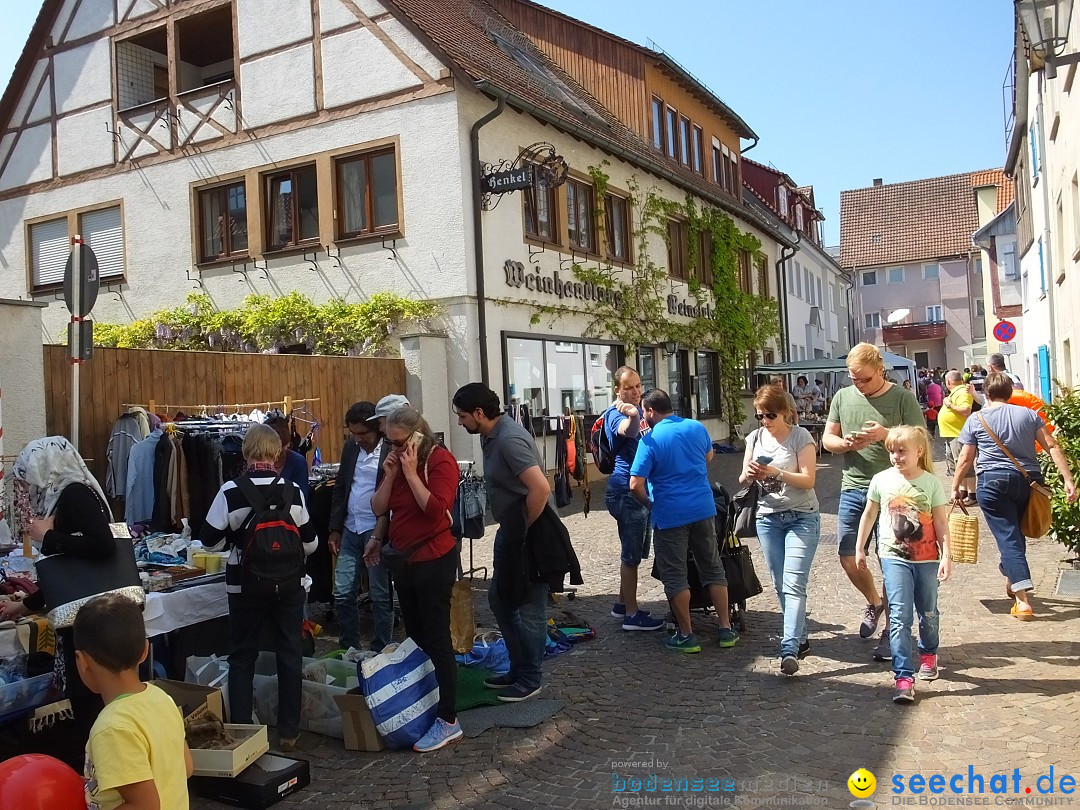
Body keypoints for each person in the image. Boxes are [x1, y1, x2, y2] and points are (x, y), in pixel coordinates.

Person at [0, 437, 117, 769]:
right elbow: (66, 570)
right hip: (86, 619)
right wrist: (23, 607)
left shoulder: (74, 495)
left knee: (92, 707)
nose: (28, 488)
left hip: (92, 624)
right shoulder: (63, 498)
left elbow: (102, 546)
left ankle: (104, 779)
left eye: (30, 478)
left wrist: (47, 537)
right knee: (89, 707)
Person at [201, 424, 318, 753]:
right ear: (278, 452)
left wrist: (235, 540)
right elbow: (310, 545)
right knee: (290, 654)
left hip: (244, 585)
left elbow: (209, 541)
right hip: (289, 586)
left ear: (245, 453)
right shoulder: (293, 490)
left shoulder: (230, 491)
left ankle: (242, 731)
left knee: (242, 656)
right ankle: (289, 732)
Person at [367, 406, 462, 752]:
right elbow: (379, 508)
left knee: (436, 636)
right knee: (417, 635)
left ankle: (449, 718)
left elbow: (436, 510)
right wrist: (392, 474)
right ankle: (426, 700)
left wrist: (410, 473)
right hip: (404, 559)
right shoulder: (394, 461)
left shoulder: (440, 461)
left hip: (434, 557)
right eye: (388, 442)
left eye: (398, 442)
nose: (392, 448)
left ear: (417, 435)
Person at [822, 343, 925, 659]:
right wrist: (844, 444)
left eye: (865, 379)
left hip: (897, 490)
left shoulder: (902, 398)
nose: (859, 385)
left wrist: (886, 435)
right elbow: (827, 438)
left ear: (880, 369)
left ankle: (892, 632)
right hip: (854, 488)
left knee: (893, 563)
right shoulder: (843, 397)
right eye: (854, 379)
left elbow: (921, 438)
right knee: (847, 555)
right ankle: (875, 603)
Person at [453, 383, 553, 703]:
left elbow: (540, 489)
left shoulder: (509, 439)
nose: (459, 422)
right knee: (500, 600)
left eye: (462, 416)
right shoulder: (489, 434)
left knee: (528, 608)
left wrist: (522, 533)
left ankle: (530, 678)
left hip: (530, 535)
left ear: (480, 414)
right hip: (512, 532)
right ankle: (519, 668)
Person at [952, 373, 1077, 620]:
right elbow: (1052, 445)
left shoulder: (977, 419)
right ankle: (1011, 575)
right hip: (1028, 482)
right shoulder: (1029, 415)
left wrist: (956, 486)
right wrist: (1068, 479)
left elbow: (966, 458)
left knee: (1008, 536)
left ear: (986, 394)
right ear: (1010, 393)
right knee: (1014, 534)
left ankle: (1022, 600)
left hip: (992, 481)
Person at [629, 388, 738, 653]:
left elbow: (635, 485)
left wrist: (649, 504)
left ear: (651, 411)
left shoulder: (650, 440)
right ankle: (725, 628)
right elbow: (709, 456)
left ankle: (687, 635)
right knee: (712, 567)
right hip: (703, 508)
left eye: (644, 411)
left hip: (669, 514)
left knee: (675, 575)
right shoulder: (696, 427)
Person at [855, 426, 951, 703]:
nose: (896, 457)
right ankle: (903, 677)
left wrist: (947, 555)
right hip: (893, 557)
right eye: (892, 452)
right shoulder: (881, 480)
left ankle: (929, 652)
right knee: (899, 617)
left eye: (902, 451)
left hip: (927, 558)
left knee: (929, 612)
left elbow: (941, 522)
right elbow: (869, 513)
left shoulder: (931, 483)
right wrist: (859, 547)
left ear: (918, 452)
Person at [74, 593, 192, 809]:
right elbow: (185, 767)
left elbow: (146, 806)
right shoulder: (161, 698)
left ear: (82, 661)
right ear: (145, 650)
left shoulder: (111, 729)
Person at [739, 385, 820, 675]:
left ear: (784, 411)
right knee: (779, 582)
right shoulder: (755, 437)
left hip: (802, 517)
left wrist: (777, 473)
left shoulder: (801, 436)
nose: (765, 421)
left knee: (793, 582)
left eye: (770, 414)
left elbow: (809, 480)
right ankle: (801, 637)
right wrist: (749, 474)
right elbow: (742, 479)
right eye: (760, 415)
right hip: (768, 518)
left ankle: (789, 648)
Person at [327, 401, 393, 652]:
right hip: (350, 528)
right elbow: (341, 487)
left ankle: (381, 649)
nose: (357, 439)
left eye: (362, 434)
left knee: (379, 594)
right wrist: (335, 527)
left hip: (376, 530)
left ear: (377, 427)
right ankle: (348, 649)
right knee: (343, 593)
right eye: (352, 433)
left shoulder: (389, 450)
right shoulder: (350, 448)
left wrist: (382, 529)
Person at [603, 366, 664, 631]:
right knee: (630, 556)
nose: (636, 391)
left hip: (639, 490)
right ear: (617, 389)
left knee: (635, 552)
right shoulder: (616, 413)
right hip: (626, 491)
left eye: (638, 385)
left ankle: (620, 604)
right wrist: (632, 412)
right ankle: (631, 614)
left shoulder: (637, 410)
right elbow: (626, 432)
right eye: (628, 387)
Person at [939, 370, 976, 506]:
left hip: (958, 433)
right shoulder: (958, 392)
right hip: (952, 433)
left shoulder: (962, 392)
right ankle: (963, 491)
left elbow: (966, 410)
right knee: (956, 463)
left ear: (948, 382)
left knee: (965, 463)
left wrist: (949, 405)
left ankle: (972, 495)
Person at [266, 412, 310, 500]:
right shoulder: (256, 462)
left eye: (281, 449)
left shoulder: (298, 462)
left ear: (288, 444)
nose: (277, 454)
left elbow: (301, 498)